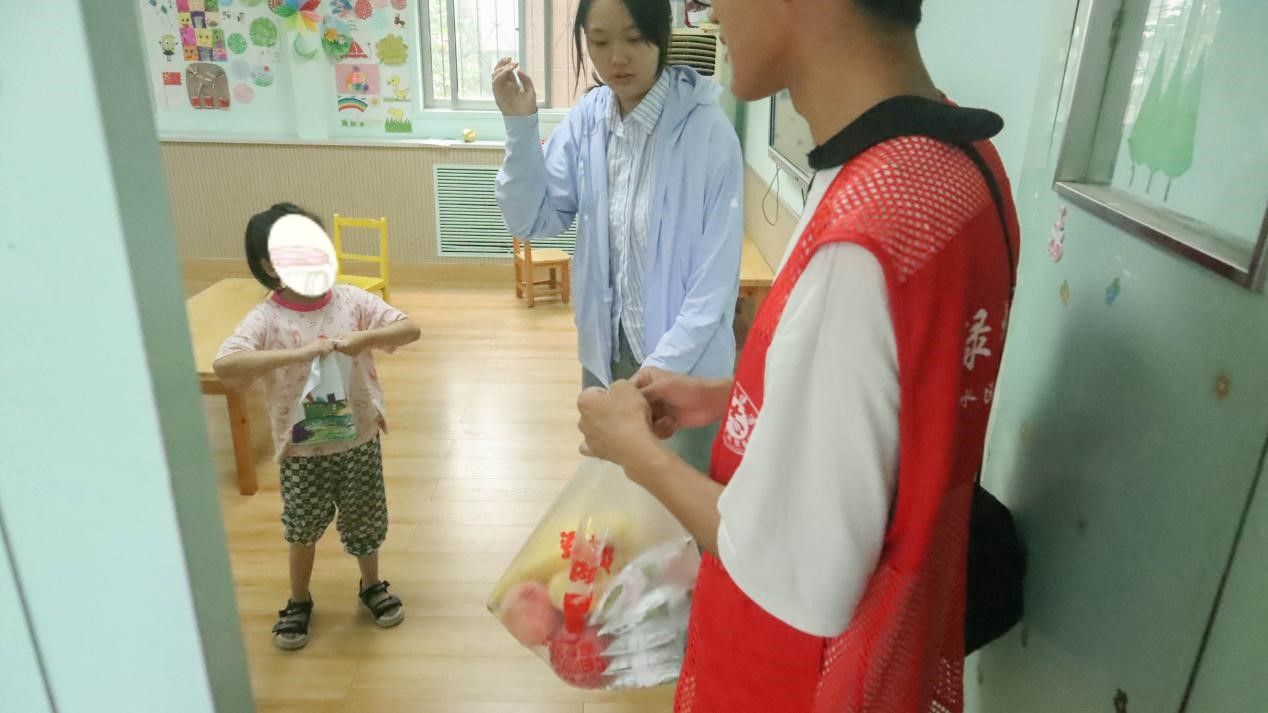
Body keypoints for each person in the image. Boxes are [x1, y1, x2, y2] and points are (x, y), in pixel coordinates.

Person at [576, 0, 1020, 709]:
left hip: (792, 677)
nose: (708, 14)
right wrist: (728, 395)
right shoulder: (959, 161)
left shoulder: (864, 235)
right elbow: (884, 404)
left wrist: (636, 453)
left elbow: (796, 567)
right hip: (887, 647)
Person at [493, 0, 743, 473]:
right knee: (610, 498)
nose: (617, 58)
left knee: (677, 502)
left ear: (661, 35)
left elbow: (713, 289)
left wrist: (653, 377)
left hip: (683, 373)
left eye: (633, 38)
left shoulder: (709, 134)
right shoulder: (588, 120)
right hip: (605, 355)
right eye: (600, 41)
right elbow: (533, 220)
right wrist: (521, 126)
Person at [213, 203, 421, 651]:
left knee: (365, 518)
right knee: (302, 527)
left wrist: (365, 338)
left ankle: (371, 584)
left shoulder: (352, 300)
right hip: (301, 449)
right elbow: (226, 365)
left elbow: (409, 329)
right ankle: (299, 599)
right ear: (271, 266)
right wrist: (298, 354)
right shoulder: (267, 318)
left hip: (358, 437)